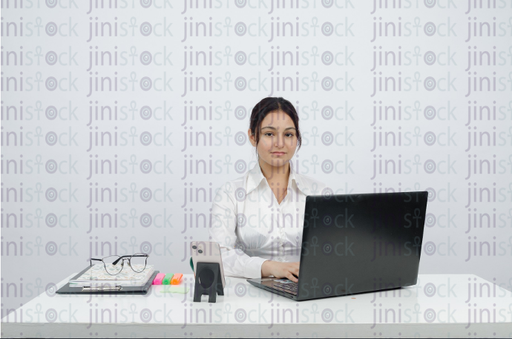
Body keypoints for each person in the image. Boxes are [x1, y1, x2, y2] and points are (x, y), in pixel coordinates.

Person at [209, 97, 329, 283]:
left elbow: (334, 253)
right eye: (269, 134)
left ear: (297, 138)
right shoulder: (231, 193)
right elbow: (217, 256)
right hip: (250, 296)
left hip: (307, 293)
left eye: (288, 134)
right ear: (252, 136)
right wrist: (269, 267)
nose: (279, 143)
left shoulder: (320, 193)